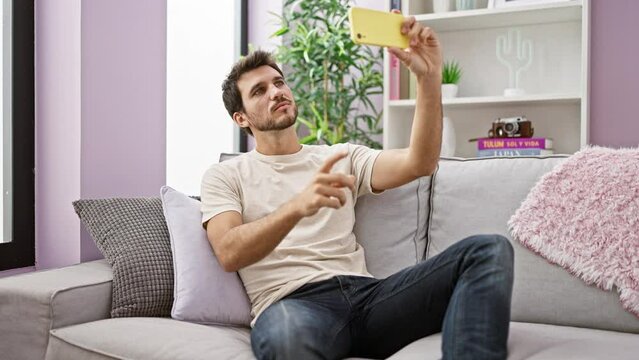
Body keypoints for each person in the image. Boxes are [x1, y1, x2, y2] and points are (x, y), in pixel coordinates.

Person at [201, 13, 514, 360]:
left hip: (370, 299)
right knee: (287, 341)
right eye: (259, 91)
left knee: (488, 250)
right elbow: (229, 252)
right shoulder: (226, 175)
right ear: (240, 118)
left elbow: (420, 162)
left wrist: (428, 79)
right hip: (293, 305)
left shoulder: (341, 156)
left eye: (279, 82)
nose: (276, 92)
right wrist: (298, 205)